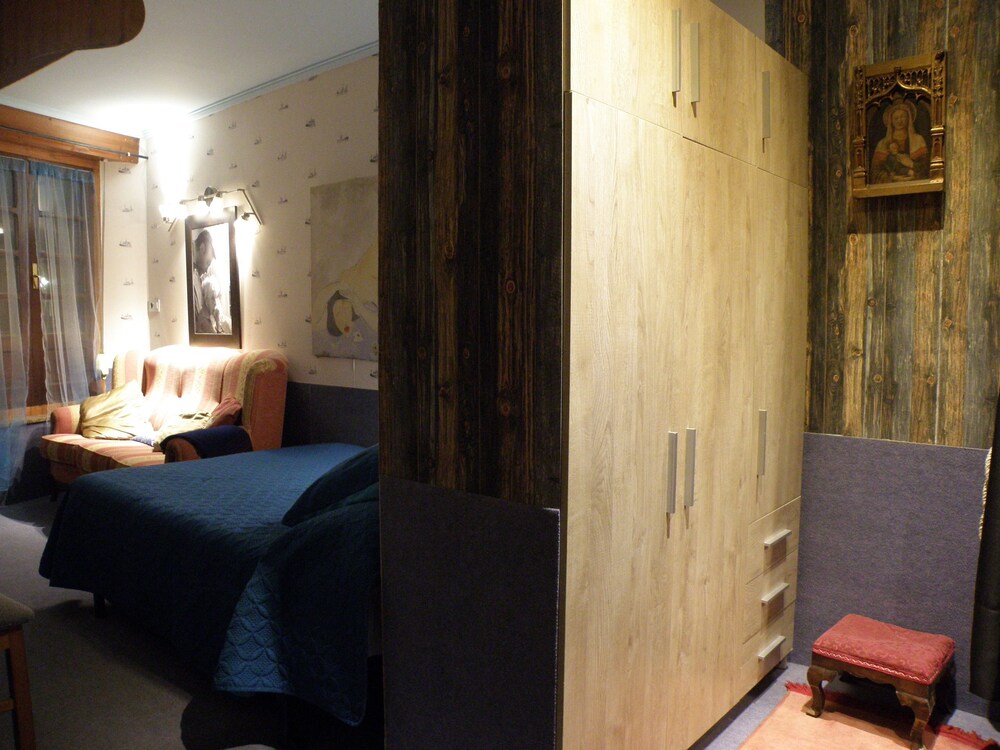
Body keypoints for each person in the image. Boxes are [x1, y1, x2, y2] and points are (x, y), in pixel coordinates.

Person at [870, 98, 928, 183]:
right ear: (891, 121)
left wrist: (911, 164)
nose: (899, 121)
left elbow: (927, 169)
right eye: (896, 118)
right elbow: (875, 173)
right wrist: (892, 178)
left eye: (902, 117)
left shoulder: (918, 140)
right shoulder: (882, 143)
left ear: (909, 118)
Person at [192, 229, 232, 334]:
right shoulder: (188, 272)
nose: (206, 270)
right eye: (208, 262)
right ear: (202, 248)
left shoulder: (197, 274)